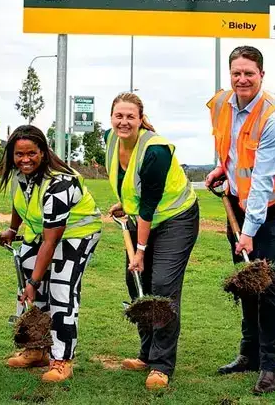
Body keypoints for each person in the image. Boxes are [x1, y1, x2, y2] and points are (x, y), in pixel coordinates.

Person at [204, 45, 275, 396]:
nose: (242, 79)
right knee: (245, 283)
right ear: (230, 75)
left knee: (267, 285)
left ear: (261, 75)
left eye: (249, 73)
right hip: (239, 204)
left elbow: (261, 180)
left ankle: (270, 367)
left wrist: (247, 232)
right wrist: (221, 169)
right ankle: (249, 353)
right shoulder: (221, 104)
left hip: (273, 209)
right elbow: (230, 149)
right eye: (236, 73)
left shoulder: (273, 118)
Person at [104, 92, 200, 391]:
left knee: (161, 287)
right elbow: (131, 186)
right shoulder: (110, 140)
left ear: (140, 118)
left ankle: (161, 365)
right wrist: (125, 205)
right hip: (143, 218)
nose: (123, 122)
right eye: (118, 116)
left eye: (130, 116)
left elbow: (150, 203)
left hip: (176, 219)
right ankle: (146, 354)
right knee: (136, 282)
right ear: (111, 117)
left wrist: (140, 250)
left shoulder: (156, 150)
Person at [0, 124, 102, 383]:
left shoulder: (60, 183)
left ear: (42, 152)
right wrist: (12, 229)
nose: (25, 159)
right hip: (42, 234)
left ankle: (62, 359)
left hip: (76, 234)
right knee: (29, 291)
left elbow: (51, 242)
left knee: (60, 290)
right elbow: (21, 201)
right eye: (19, 154)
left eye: (31, 153)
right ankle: (36, 350)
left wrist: (35, 281)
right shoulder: (21, 175)